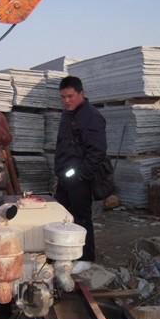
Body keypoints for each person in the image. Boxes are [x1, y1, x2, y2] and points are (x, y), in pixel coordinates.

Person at [54, 76, 107, 274]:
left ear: (81, 93)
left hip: (80, 179)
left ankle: (86, 258)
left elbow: (98, 151)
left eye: (70, 96)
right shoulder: (67, 114)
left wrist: (81, 175)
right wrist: (60, 171)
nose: (66, 101)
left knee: (82, 217)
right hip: (65, 176)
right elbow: (63, 145)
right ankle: (66, 253)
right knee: (63, 217)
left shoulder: (91, 116)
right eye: (63, 97)